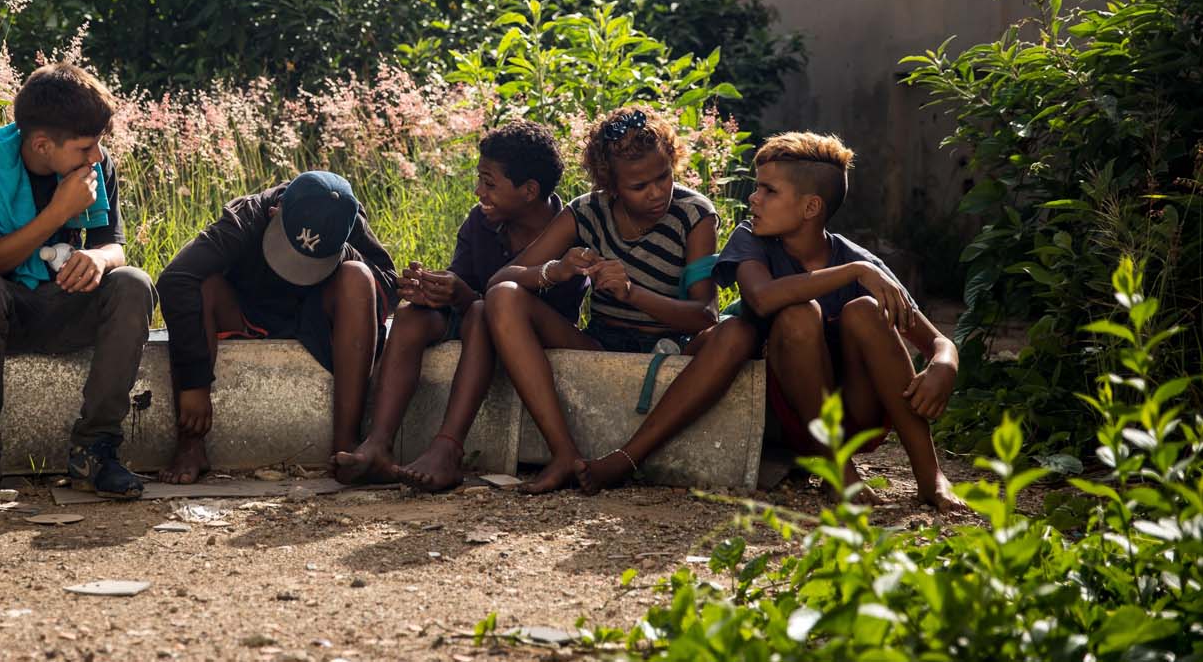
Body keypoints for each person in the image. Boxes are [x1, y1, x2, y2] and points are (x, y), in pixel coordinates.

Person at [0, 62, 154, 506]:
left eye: (99, 146)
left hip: (65, 303)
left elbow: (115, 245)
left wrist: (97, 258)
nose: (96, 157)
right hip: (4, 314)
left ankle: (95, 449)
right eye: (86, 148)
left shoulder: (94, 163)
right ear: (42, 144)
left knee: (132, 283)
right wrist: (56, 213)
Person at [485, 106, 732, 493]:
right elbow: (501, 279)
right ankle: (564, 453)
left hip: (674, 347)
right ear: (610, 186)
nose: (656, 192)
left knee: (735, 332)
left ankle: (627, 458)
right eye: (638, 186)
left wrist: (633, 292)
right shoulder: (587, 211)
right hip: (601, 342)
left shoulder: (695, 215)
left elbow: (706, 316)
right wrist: (558, 270)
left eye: (663, 176)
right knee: (503, 297)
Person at [333, 121, 588, 490]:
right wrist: (434, 290)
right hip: (476, 316)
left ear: (529, 191)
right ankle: (378, 444)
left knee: (484, 311)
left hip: (529, 334)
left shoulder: (566, 232)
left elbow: (508, 307)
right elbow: (463, 284)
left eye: (489, 183)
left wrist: (465, 296)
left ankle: (448, 449)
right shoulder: (480, 222)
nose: (478, 191)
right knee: (410, 316)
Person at [718, 131, 965, 513]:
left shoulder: (857, 261)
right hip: (787, 416)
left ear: (810, 207)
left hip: (856, 412)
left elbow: (937, 341)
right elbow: (762, 298)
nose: (753, 198)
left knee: (865, 310)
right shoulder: (752, 241)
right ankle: (839, 471)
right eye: (756, 187)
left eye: (769, 191)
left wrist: (945, 364)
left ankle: (930, 477)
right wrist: (854, 272)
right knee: (799, 313)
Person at [155, 171, 398, 485]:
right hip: (247, 311)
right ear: (276, 212)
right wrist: (194, 383)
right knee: (203, 285)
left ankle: (345, 445)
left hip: (314, 318)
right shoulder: (246, 217)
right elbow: (176, 279)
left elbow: (389, 288)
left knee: (358, 276)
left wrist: (346, 254)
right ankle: (190, 445)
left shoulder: (344, 219)